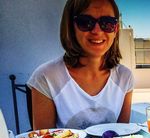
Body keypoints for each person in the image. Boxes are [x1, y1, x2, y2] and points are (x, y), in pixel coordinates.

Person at [27, 0, 133, 130]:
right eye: (85, 22)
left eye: (107, 23)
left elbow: (123, 137)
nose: (97, 31)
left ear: (115, 29)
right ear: (71, 27)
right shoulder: (46, 77)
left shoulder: (125, 77)